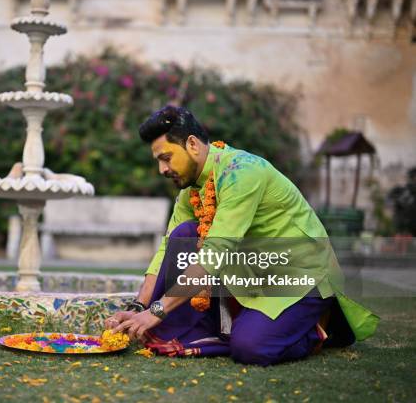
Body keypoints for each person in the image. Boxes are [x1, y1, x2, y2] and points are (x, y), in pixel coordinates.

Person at [105, 105, 378, 366]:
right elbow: (166, 250)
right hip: (250, 274)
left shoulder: (242, 173)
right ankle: (233, 327)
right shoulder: (192, 190)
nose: (162, 170)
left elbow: (216, 253)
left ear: (192, 144)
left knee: (250, 348)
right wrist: (140, 305)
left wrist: (157, 311)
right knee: (184, 234)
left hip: (300, 276)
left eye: (166, 158)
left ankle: (318, 326)